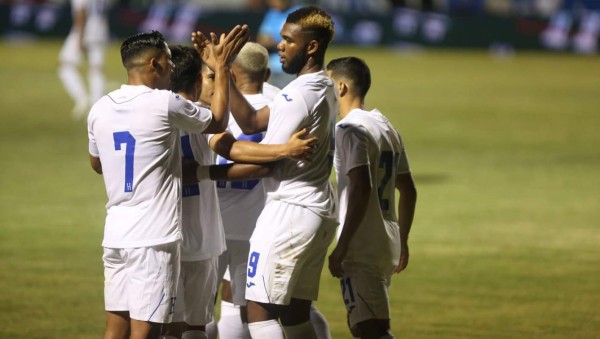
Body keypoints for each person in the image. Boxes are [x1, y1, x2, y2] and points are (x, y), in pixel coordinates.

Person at [87, 28, 245, 338]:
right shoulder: (164, 103)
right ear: (155, 64)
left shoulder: (100, 107)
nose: (173, 68)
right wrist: (222, 68)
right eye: (169, 61)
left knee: (115, 327)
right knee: (148, 331)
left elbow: (97, 164)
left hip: (116, 233)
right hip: (153, 238)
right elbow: (217, 121)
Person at [192, 6, 338, 339]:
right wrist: (225, 68)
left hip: (289, 210)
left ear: (311, 46)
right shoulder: (321, 86)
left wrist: (209, 155)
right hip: (316, 208)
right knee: (296, 313)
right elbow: (253, 122)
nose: (279, 45)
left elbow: (263, 162)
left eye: (288, 40)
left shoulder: (297, 95)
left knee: (258, 309)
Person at [326, 56, 417, 339]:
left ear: (340, 87)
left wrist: (342, 246)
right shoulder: (385, 125)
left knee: (369, 330)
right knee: (369, 326)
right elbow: (409, 190)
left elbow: (361, 187)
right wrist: (403, 240)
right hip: (385, 242)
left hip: (361, 245)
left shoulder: (348, 129)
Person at [59, 0, 110, 118]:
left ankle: (81, 98)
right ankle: (97, 104)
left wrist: (79, 37)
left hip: (85, 31)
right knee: (96, 69)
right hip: (100, 30)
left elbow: (81, 12)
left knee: (65, 65)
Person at [256, 0, 299, 88]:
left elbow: (297, 41)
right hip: (272, 66)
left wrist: (274, 42)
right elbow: (261, 39)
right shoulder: (272, 13)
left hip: (290, 67)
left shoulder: (298, 13)